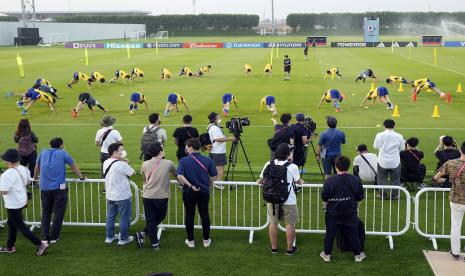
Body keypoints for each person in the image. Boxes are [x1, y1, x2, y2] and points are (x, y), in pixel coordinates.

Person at [34, 137, 85, 243]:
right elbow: (73, 166)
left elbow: (37, 166)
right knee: (58, 213)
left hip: (45, 188)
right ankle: (54, 237)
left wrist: (35, 177)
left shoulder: (43, 152)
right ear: (61, 145)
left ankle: (44, 236)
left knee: (46, 212)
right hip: (58, 189)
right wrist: (81, 177)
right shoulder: (63, 153)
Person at [0, 149, 49, 256]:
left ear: (7, 161)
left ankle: (40, 244)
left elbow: (4, 191)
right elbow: (27, 182)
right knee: (12, 224)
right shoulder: (23, 168)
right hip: (21, 201)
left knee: (21, 226)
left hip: (13, 204)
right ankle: (10, 246)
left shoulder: (6, 175)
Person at [257, 143, 303, 255]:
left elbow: (260, 179)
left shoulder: (269, 163)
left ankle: (274, 248)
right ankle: (289, 249)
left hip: (272, 198)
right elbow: (299, 181)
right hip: (289, 199)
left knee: (273, 223)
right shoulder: (292, 166)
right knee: (290, 224)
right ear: (288, 154)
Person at [320, 156, 366, 263]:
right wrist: (356, 208)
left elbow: (324, 198)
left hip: (333, 212)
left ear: (336, 167)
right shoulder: (355, 179)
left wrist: (325, 208)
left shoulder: (330, 180)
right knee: (353, 233)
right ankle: (357, 255)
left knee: (330, 233)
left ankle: (327, 254)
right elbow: (360, 197)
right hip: (349, 211)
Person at [177, 138, 218, 248]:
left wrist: (190, 185)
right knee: (204, 215)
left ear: (190, 147)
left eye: (186, 147)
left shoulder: (183, 161)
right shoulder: (208, 160)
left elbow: (180, 176)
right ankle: (206, 240)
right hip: (204, 191)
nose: (185, 149)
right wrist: (208, 185)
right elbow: (214, 177)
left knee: (189, 215)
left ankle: (191, 241)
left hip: (189, 192)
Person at [136, 142, 177, 250]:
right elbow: (177, 175)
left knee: (151, 220)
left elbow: (145, 179)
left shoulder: (145, 164)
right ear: (160, 151)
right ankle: (153, 242)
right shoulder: (168, 163)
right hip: (161, 196)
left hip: (147, 195)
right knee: (159, 217)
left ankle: (148, 238)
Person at [433, 141, 465, 261]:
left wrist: (441, 181)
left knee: (456, 226)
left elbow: (436, 177)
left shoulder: (451, 163)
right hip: (458, 199)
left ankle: (455, 252)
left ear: (460, 150)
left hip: (456, 199)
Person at [103, 143, 135, 245]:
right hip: (122, 195)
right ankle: (124, 238)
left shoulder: (106, 162)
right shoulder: (120, 164)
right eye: (121, 150)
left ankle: (110, 236)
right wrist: (125, 162)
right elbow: (132, 172)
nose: (122, 152)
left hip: (110, 194)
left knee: (110, 217)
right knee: (125, 217)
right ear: (115, 152)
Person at [373, 119, 405, 199]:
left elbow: (376, 146)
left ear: (384, 126)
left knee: (381, 179)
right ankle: (394, 196)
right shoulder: (399, 136)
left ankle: (382, 195)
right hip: (395, 161)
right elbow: (402, 148)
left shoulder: (380, 135)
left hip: (382, 161)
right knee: (395, 180)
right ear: (394, 126)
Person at [207, 112, 236, 189]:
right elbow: (217, 139)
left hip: (213, 150)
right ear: (215, 119)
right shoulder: (215, 128)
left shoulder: (211, 126)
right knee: (220, 168)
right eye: (218, 117)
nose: (220, 118)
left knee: (214, 167)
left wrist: (226, 137)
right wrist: (229, 139)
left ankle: (214, 181)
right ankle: (218, 182)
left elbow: (218, 137)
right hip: (218, 151)